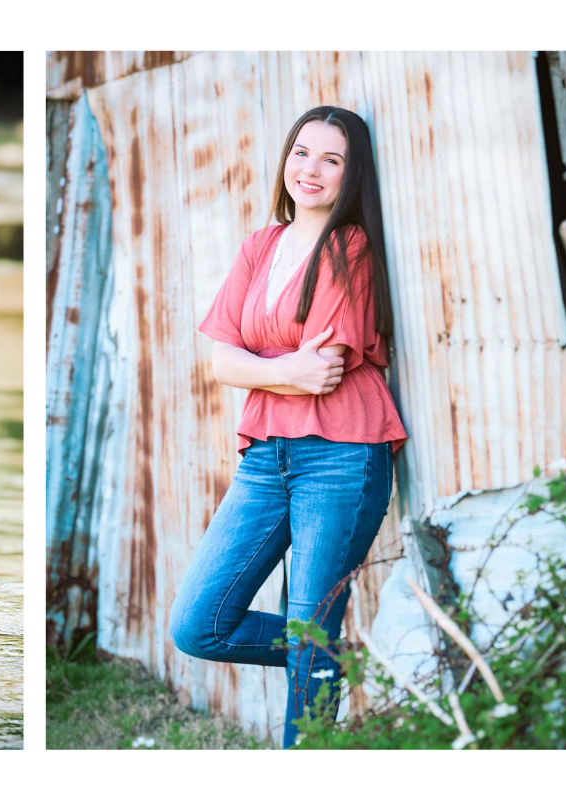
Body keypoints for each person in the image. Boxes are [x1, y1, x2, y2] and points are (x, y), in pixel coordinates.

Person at [168, 106, 408, 748]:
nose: (311, 169)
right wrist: (282, 368)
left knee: (306, 628)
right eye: (302, 152)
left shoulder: (351, 247)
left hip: (341, 457)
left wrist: (259, 365)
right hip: (265, 457)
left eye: (332, 159)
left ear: (351, 174)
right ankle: (326, 654)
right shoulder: (261, 245)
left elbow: (323, 369)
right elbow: (220, 361)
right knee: (198, 625)